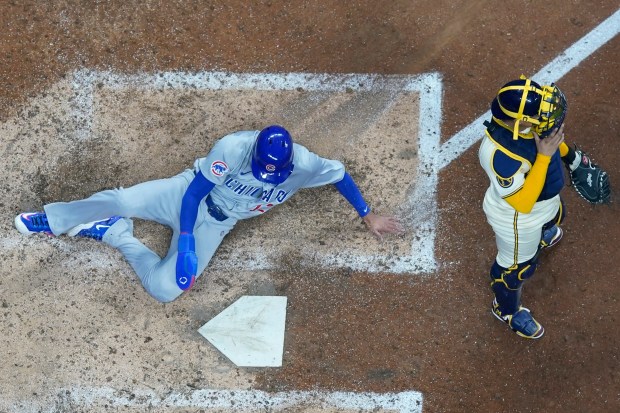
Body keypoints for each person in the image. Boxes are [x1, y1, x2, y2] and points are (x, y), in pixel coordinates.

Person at [15, 125, 404, 303]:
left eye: (276, 174)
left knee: (166, 290)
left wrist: (366, 214)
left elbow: (340, 175)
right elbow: (193, 195)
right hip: (185, 196)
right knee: (122, 198)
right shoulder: (233, 148)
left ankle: (116, 235)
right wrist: (184, 241)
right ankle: (55, 219)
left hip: (218, 224)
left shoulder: (304, 164)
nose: (270, 177)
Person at [478, 76, 610, 339]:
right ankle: (506, 310)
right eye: (536, 115)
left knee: (558, 215)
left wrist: (571, 159)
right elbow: (523, 203)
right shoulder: (499, 154)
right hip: (518, 220)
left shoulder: (526, 124)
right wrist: (545, 156)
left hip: (544, 203)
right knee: (516, 271)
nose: (545, 117)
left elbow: (547, 137)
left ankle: (544, 234)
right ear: (517, 121)